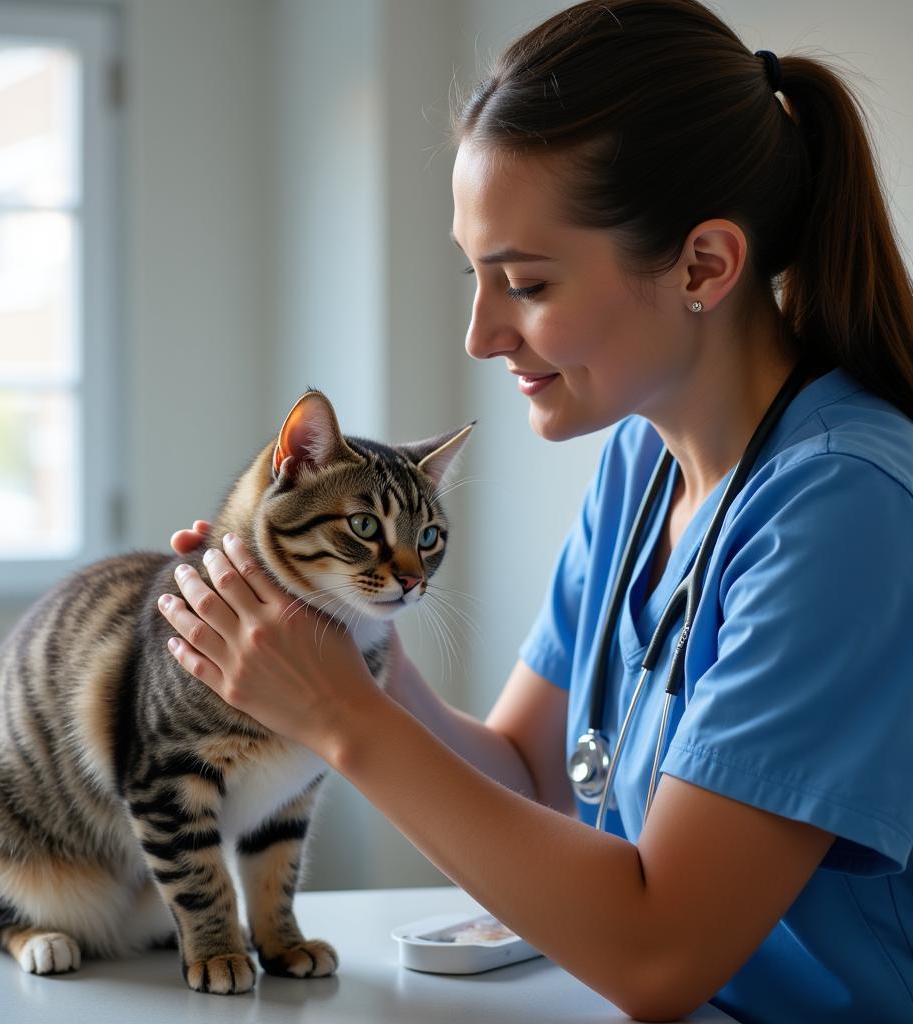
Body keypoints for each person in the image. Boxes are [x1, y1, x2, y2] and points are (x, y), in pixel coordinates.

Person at [157, 1, 913, 1020]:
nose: (480, 334)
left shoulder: (844, 507)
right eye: (475, 276)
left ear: (703, 266)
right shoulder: (642, 465)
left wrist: (335, 713)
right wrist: (333, 637)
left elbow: (658, 953)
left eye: (524, 281)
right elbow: (526, 773)